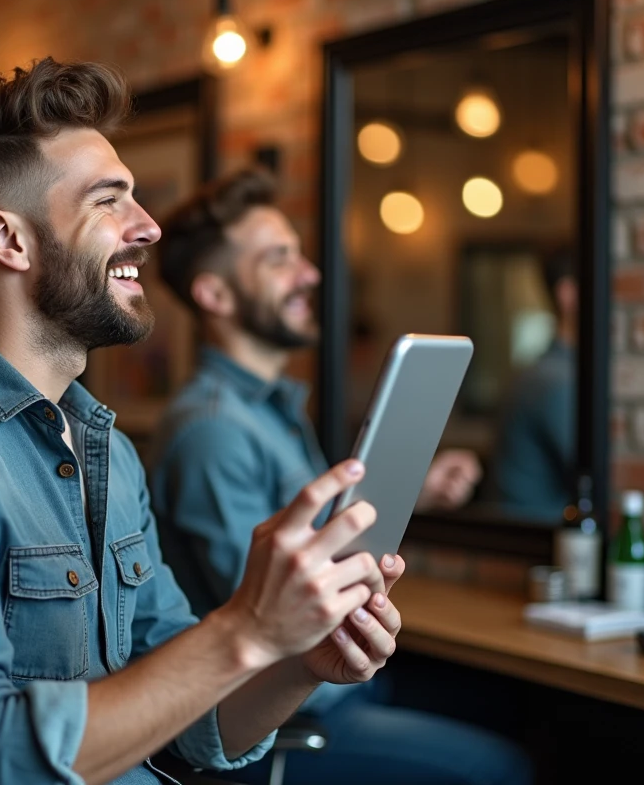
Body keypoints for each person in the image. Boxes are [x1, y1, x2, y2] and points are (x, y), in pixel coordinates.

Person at [0, 58, 407, 785]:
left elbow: (192, 724)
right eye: (108, 200)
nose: (147, 227)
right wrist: (243, 632)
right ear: (9, 240)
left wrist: (300, 664)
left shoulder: (108, 452)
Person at [147, 167, 533, 785]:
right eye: (279, 260)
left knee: (527, 711)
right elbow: (272, 613)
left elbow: (308, 538)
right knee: (503, 767)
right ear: (214, 295)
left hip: (335, 689)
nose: (310, 275)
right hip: (286, 720)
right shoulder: (213, 432)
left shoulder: (270, 412)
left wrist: (414, 488)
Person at [490, 249, 578, 521]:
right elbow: (597, 479)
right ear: (568, 293)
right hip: (538, 546)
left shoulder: (553, 372)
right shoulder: (552, 381)